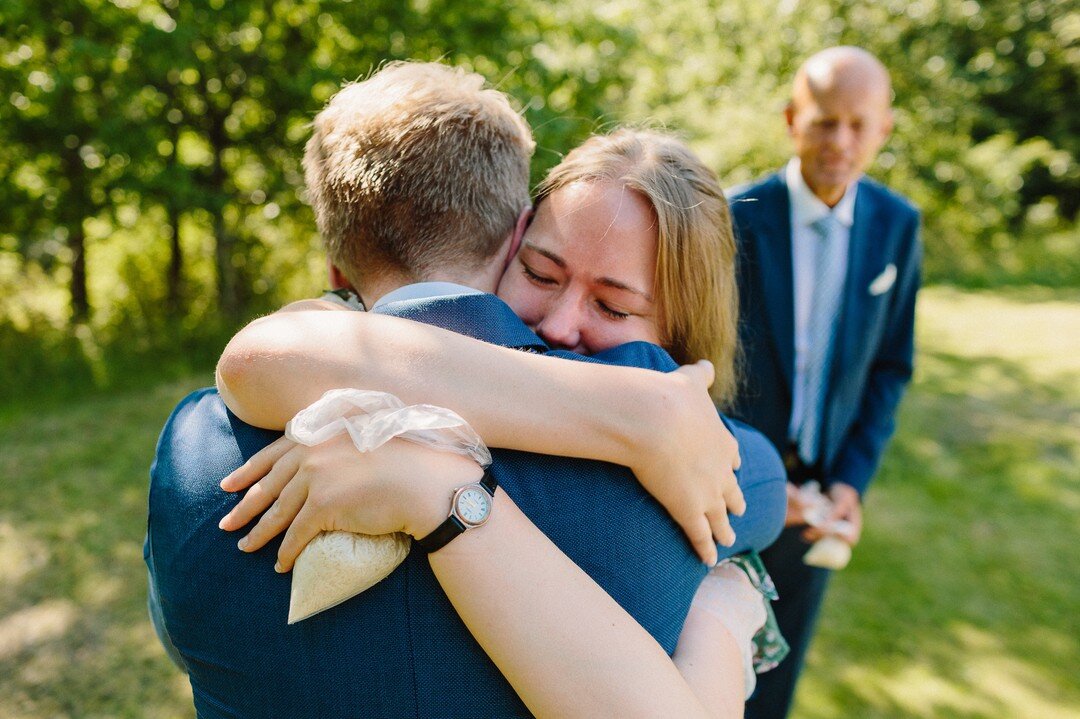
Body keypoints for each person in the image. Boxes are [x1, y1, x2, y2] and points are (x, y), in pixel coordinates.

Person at [145, 62, 786, 718]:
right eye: (542, 272)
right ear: (516, 238)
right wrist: (726, 609)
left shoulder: (196, 448)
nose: (561, 324)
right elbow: (763, 490)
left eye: (615, 307)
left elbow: (182, 637)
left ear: (335, 264)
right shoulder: (674, 456)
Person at [729, 47, 922, 719]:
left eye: (858, 125)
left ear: (884, 129)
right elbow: (701, 366)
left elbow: (891, 366)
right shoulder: (735, 218)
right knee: (709, 663)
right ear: (792, 120)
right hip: (734, 486)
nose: (840, 142)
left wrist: (850, 481)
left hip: (821, 499)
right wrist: (755, 480)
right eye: (824, 122)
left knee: (777, 682)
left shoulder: (898, 226)